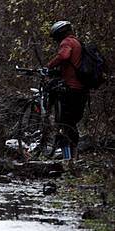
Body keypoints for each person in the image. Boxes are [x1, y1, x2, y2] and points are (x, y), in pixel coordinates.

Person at [47, 21, 88, 160]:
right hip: (81, 89)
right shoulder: (78, 42)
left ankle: (68, 158)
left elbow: (64, 56)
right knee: (71, 123)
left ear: (60, 33)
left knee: (64, 123)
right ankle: (73, 157)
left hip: (71, 88)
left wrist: (50, 65)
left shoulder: (67, 42)